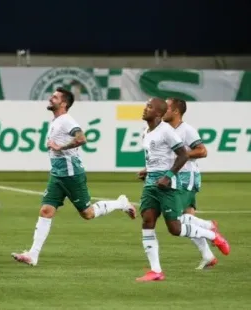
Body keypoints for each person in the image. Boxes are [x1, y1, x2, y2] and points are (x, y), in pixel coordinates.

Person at [11, 87, 137, 267]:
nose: (50, 98)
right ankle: (33, 254)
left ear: (63, 103)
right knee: (46, 211)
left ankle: (121, 203)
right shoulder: (55, 121)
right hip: (57, 175)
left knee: (87, 213)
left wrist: (59, 147)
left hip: (71, 175)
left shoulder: (66, 121)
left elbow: (82, 138)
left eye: (54, 97)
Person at [136, 98, 230, 282]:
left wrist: (168, 176)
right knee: (148, 221)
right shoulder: (146, 131)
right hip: (152, 183)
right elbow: (157, 156)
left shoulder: (173, 131)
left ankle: (211, 233)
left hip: (177, 180)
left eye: (149, 106)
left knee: (176, 227)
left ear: (159, 112)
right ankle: (156, 271)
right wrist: (148, 170)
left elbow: (187, 154)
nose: (144, 109)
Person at [162, 97, 220, 269]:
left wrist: (184, 155)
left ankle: (209, 226)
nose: (163, 110)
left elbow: (202, 151)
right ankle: (208, 256)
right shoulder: (165, 130)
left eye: (167, 107)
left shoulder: (186, 130)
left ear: (176, 111)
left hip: (187, 177)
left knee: (177, 220)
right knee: (188, 222)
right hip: (176, 177)